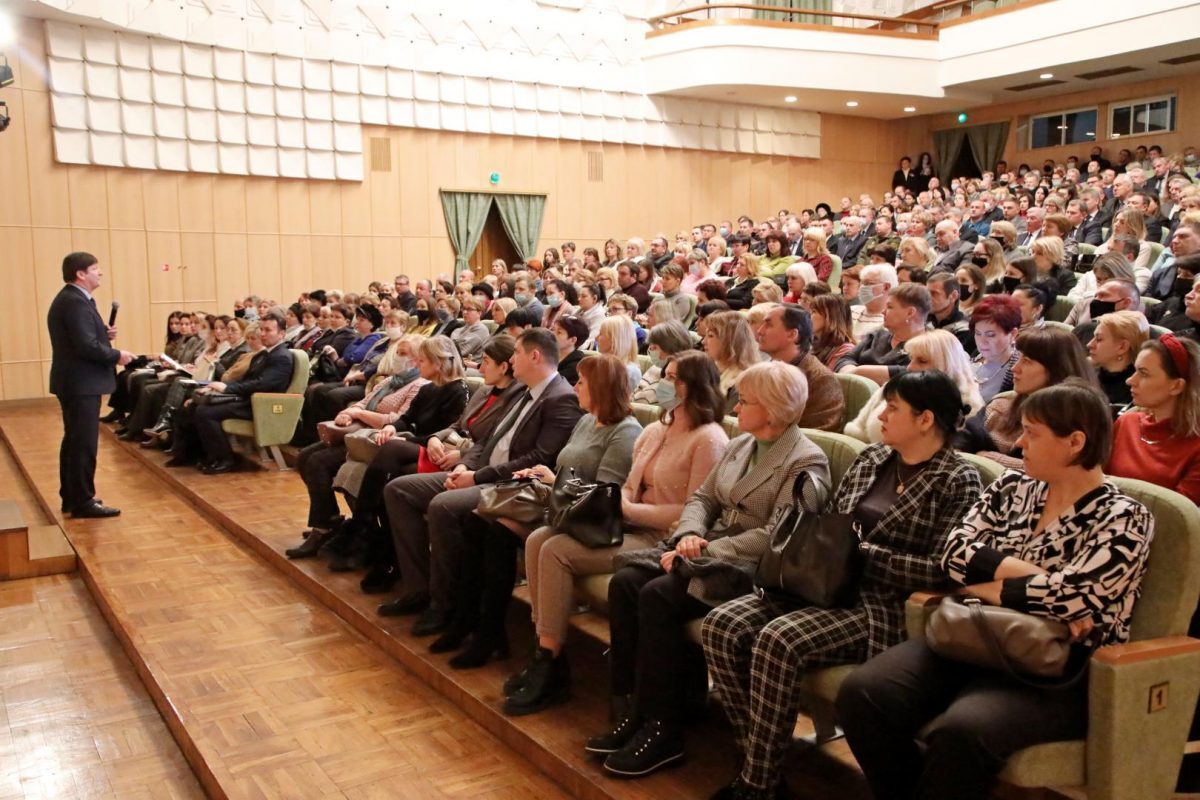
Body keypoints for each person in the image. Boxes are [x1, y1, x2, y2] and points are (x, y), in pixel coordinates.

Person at [839, 381, 1153, 800]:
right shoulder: (1011, 487)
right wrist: (1035, 579)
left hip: (1051, 666)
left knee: (962, 731)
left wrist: (984, 581)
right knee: (863, 694)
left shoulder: (1125, 517)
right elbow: (953, 554)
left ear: (1075, 442)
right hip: (971, 632)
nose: (1019, 442)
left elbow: (1072, 597)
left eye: (1033, 433)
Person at [705, 370, 984, 799]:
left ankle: (758, 783)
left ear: (925, 419)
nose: (881, 415)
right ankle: (754, 755)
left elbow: (942, 570)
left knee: (779, 640)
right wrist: (833, 551)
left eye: (893, 408)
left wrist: (863, 554)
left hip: (879, 604)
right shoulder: (873, 458)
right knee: (722, 624)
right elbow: (831, 525)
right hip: (821, 583)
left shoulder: (957, 479)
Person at [590, 363, 831, 778]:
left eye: (748, 399)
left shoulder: (805, 461)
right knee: (627, 583)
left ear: (772, 410)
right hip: (704, 550)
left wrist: (707, 547)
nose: (737, 404)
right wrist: (689, 533)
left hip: (752, 569)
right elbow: (702, 499)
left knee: (658, 595)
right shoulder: (743, 444)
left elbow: (781, 536)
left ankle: (665, 728)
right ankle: (636, 706)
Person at [500, 351, 728, 716]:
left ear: (695, 387)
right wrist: (622, 504)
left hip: (662, 536)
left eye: (674, 378)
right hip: (625, 524)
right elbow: (625, 486)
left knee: (555, 549)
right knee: (539, 538)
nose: (665, 384)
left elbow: (696, 509)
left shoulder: (709, 439)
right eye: (665, 375)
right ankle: (545, 653)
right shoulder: (657, 429)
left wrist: (628, 508)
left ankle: (551, 661)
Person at [436, 354, 642, 676]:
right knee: (478, 521)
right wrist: (546, 476)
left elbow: (605, 496)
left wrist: (553, 480)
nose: (575, 386)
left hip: (583, 516)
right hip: (556, 502)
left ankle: (491, 634)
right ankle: (467, 620)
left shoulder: (625, 433)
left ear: (601, 388)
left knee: (500, 534)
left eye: (582, 382)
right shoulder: (588, 420)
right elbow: (564, 468)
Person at [379, 329, 583, 636]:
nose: (512, 359)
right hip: (481, 471)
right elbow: (487, 438)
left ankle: (445, 604)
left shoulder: (561, 397)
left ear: (535, 356)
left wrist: (476, 476)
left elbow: (538, 458)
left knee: (443, 506)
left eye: (516, 353)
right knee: (399, 490)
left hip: (511, 485)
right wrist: (465, 464)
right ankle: (418, 588)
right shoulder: (525, 390)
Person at [48, 252, 134, 518]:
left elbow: (84, 337)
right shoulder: (74, 302)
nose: (100, 273)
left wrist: (102, 334)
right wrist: (117, 354)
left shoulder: (76, 299)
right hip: (80, 382)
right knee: (83, 443)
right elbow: (84, 346)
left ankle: (72, 497)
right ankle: (83, 501)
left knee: (75, 441)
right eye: (95, 269)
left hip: (77, 381)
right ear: (80, 274)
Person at [168, 309, 294, 474]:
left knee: (205, 412)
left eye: (268, 330)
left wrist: (227, 388)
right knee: (192, 406)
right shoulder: (263, 354)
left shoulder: (281, 357)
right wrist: (216, 387)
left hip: (260, 405)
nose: (263, 334)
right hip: (246, 398)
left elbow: (262, 385)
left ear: (282, 334)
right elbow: (246, 381)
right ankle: (195, 455)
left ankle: (225, 459)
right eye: (261, 329)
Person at [961, 327, 1097, 469]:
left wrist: (986, 457)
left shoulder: (1077, 419)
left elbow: (1057, 471)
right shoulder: (1003, 404)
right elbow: (961, 441)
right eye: (1018, 357)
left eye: (1027, 361)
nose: (1015, 367)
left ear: (1056, 368)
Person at [845, 331, 982, 444]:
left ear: (947, 365)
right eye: (911, 359)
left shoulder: (966, 406)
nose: (910, 367)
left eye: (922, 361)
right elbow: (857, 430)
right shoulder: (892, 388)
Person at [1108, 335, 1200, 503]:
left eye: (1143, 374)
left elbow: (1175, 518)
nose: (1130, 380)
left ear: (1176, 386)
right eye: (1135, 371)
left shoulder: (1196, 446)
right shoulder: (1126, 423)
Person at [754, 304, 845, 431]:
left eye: (768, 325)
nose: (759, 331)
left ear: (792, 334)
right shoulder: (761, 370)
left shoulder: (821, 380)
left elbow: (817, 437)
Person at [838, 283, 931, 385]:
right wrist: (854, 373)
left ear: (910, 312)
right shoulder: (877, 335)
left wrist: (857, 371)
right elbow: (845, 359)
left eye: (890, 307)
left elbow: (909, 373)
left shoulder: (929, 347)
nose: (883, 311)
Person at [701, 311, 761, 415]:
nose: (703, 341)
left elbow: (726, 423)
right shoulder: (708, 369)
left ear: (728, 340)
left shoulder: (743, 382)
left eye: (710, 336)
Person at [1087, 310, 1148, 407]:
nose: (1089, 344)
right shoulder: (1085, 375)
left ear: (1122, 347)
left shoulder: (1138, 391)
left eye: (1099, 339)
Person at [969, 294, 1022, 405]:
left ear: (1013, 334)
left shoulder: (1017, 371)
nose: (982, 341)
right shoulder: (972, 359)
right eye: (978, 333)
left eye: (991, 335)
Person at [633, 321, 693, 405]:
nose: (650, 350)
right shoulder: (657, 367)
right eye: (650, 345)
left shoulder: (670, 387)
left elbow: (640, 402)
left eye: (654, 347)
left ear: (671, 349)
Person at [809, 294, 856, 371]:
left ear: (831, 316)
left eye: (814, 311)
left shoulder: (845, 349)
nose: (809, 316)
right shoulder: (810, 343)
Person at [850, 264, 896, 340]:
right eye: (862, 283)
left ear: (886, 287)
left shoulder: (889, 322)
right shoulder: (850, 310)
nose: (862, 287)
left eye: (869, 283)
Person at [552, 315, 589, 386]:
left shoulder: (577, 366)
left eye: (559, 332)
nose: (552, 334)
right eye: (553, 330)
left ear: (572, 340)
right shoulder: (549, 354)